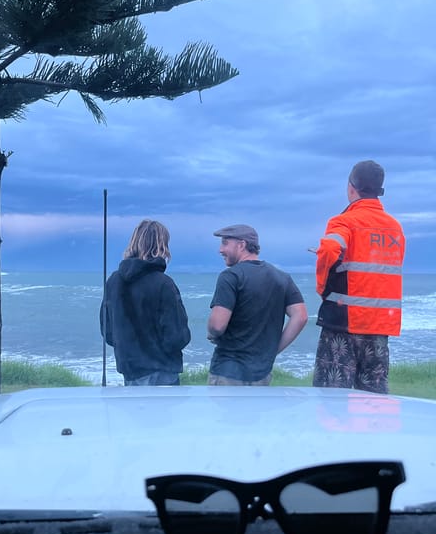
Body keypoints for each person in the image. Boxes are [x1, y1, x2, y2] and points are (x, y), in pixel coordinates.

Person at [312, 160, 405, 393]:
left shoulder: (344, 221)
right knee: (374, 402)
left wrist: (323, 289)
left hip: (344, 323)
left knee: (331, 399)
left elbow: (329, 250)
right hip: (379, 327)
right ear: (379, 191)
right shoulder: (395, 228)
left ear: (351, 187)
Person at [207, 224, 308, 385]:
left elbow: (218, 325)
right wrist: (273, 350)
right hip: (262, 373)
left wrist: (212, 331)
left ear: (241, 245)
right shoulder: (281, 277)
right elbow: (301, 316)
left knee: (225, 411)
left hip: (228, 372)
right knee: (257, 411)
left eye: (225, 243)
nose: (220, 249)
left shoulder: (230, 276)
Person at [100, 219, 191, 386]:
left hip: (130, 372)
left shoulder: (113, 281)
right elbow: (177, 337)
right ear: (161, 246)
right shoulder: (164, 284)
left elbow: (108, 332)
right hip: (163, 373)